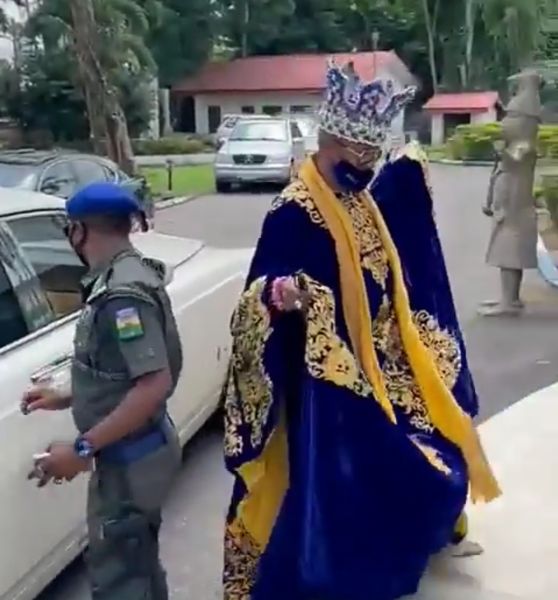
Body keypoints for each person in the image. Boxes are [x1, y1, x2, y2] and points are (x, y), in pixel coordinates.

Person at [222, 60, 501, 600]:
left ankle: (422, 536)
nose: (365, 165)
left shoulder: (361, 200)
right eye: (356, 154)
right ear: (328, 141)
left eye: (373, 155)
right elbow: (253, 300)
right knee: (373, 473)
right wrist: (281, 296)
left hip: (384, 361)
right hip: (328, 383)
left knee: (443, 435)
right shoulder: (293, 213)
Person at [22, 182, 183, 600]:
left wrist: (80, 450)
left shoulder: (122, 295)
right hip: (137, 452)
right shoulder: (125, 274)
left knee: (120, 579)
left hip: (132, 461)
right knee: (138, 568)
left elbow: (153, 383)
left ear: (79, 231)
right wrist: (69, 394)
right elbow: (121, 370)